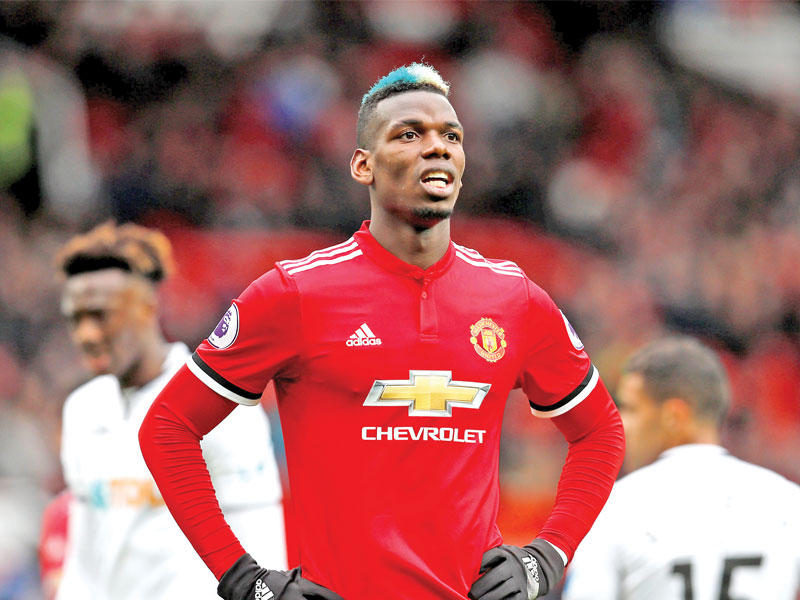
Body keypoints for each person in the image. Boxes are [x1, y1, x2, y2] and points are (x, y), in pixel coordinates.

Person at [139, 62, 625, 600]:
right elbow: (167, 427)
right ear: (363, 165)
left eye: (451, 136)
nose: (436, 147)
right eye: (409, 134)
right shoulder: (295, 294)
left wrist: (547, 556)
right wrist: (243, 579)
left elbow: (601, 432)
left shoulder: (514, 299)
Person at [55, 222, 286, 599]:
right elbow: (85, 554)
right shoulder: (82, 409)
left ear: (147, 308)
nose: (86, 334)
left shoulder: (218, 405)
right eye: (75, 318)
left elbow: (261, 540)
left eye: (100, 315)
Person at [562, 336, 800, 600]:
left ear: (675, 416)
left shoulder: (614, 507)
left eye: (630, 408)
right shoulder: (787, 500)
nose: (620, 423)